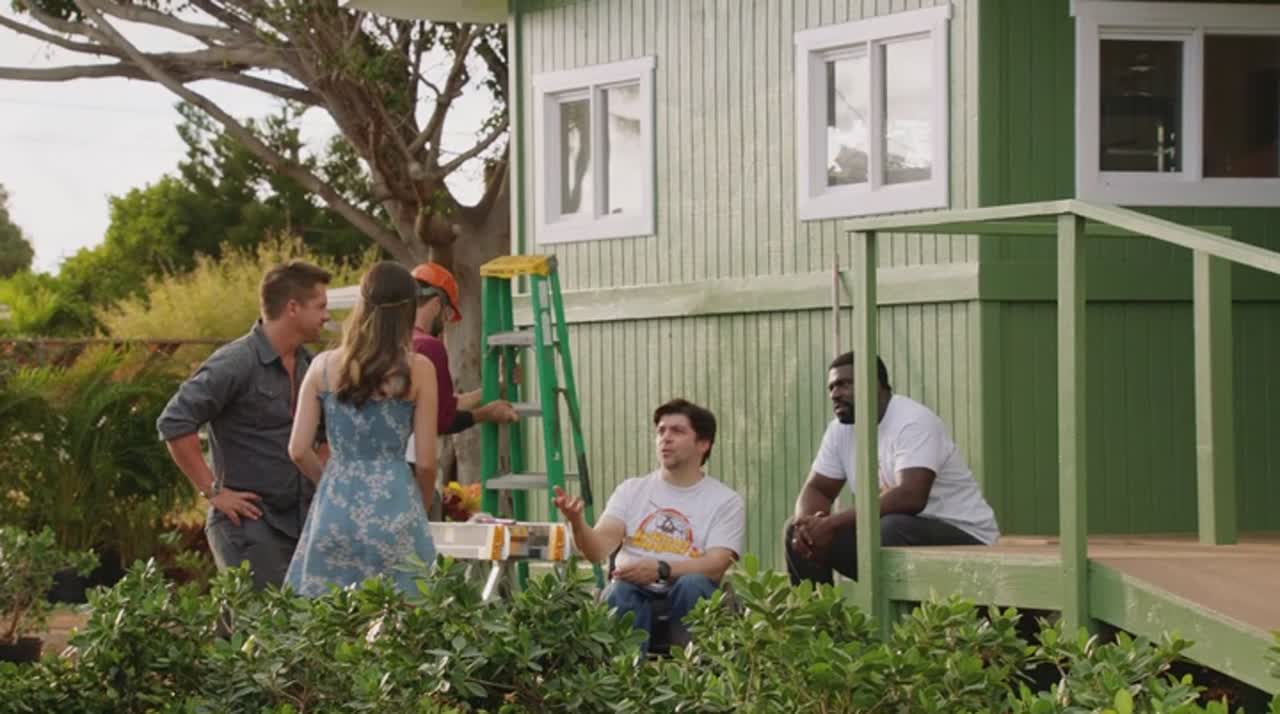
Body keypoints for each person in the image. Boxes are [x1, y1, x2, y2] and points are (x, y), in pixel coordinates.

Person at [157, 260, 332, 590]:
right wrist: (213, 491)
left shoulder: (312, 365)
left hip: (302, 523)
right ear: (292, 308)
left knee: (294, 617)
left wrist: (322, 486)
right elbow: (175, 421)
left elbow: (326, 435)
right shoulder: (236, 362)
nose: (327, 316)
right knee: (262, 618)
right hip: (248, 525)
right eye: (320, 306)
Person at [284, 261, 440, 596]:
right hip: (395, 505)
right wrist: (420, 506)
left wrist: (330, 482)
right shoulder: (419, 369)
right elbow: (427, 462)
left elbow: (297, 450)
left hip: (335, 508)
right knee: (404, 614)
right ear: (409, 310)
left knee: (330, 617)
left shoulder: (322, 367)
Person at [785, 352, 1000, 586]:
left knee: (889, 528)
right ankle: (820, 609)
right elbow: (818, 489)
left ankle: (896, 611)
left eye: (845, 384)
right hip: (896, 536)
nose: (835, 394)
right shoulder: (840, 431)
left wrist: (831, 524)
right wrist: (808, 529)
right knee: (794, 533)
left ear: (874, 384)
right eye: (832, 387)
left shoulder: (912, 421)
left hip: (965, 537)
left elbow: (911, 496)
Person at [552, 399, 745, 654]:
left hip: (688, 593)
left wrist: (661, 569)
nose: (665, 438)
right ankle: (623, 675)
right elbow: (597, 551)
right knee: (619, 592)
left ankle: (692, 672)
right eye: (661, 431)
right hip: (632, 590)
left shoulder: (725, 501)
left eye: (677, 431)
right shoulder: (631, 490)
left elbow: (716, 565)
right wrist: (577, 523)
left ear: (703, 444)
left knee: (693, 585)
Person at [409, 262, 518, 435]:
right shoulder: (429, 347)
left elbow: (445, 404)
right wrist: (486, 414)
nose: (445, 322)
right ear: (436, 304)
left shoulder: (390, 339)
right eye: (447, 313)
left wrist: (498, 385)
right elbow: (442, 420)